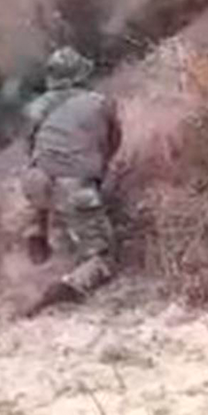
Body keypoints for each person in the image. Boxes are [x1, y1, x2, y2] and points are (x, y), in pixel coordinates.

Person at [19, 47, 122, 317]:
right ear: (80, 74)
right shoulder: (100, 102)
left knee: (42, 184)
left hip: (34, 180)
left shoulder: (35, 107)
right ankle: (68, 287)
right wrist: (98, 170)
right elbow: (113, 141)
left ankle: (36, 230)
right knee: (103, 258)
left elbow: (30, 149)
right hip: (74, 185)